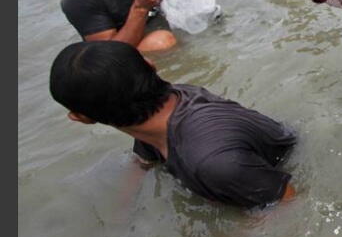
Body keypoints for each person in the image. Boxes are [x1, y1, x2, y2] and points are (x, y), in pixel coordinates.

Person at [49, 40, 297, 207]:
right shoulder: (151, 107)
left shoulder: (214, 162)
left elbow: (288, 203)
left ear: (81, 118)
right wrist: (120, 216)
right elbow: (143, 163)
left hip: (280, 169)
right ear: (150, 65)